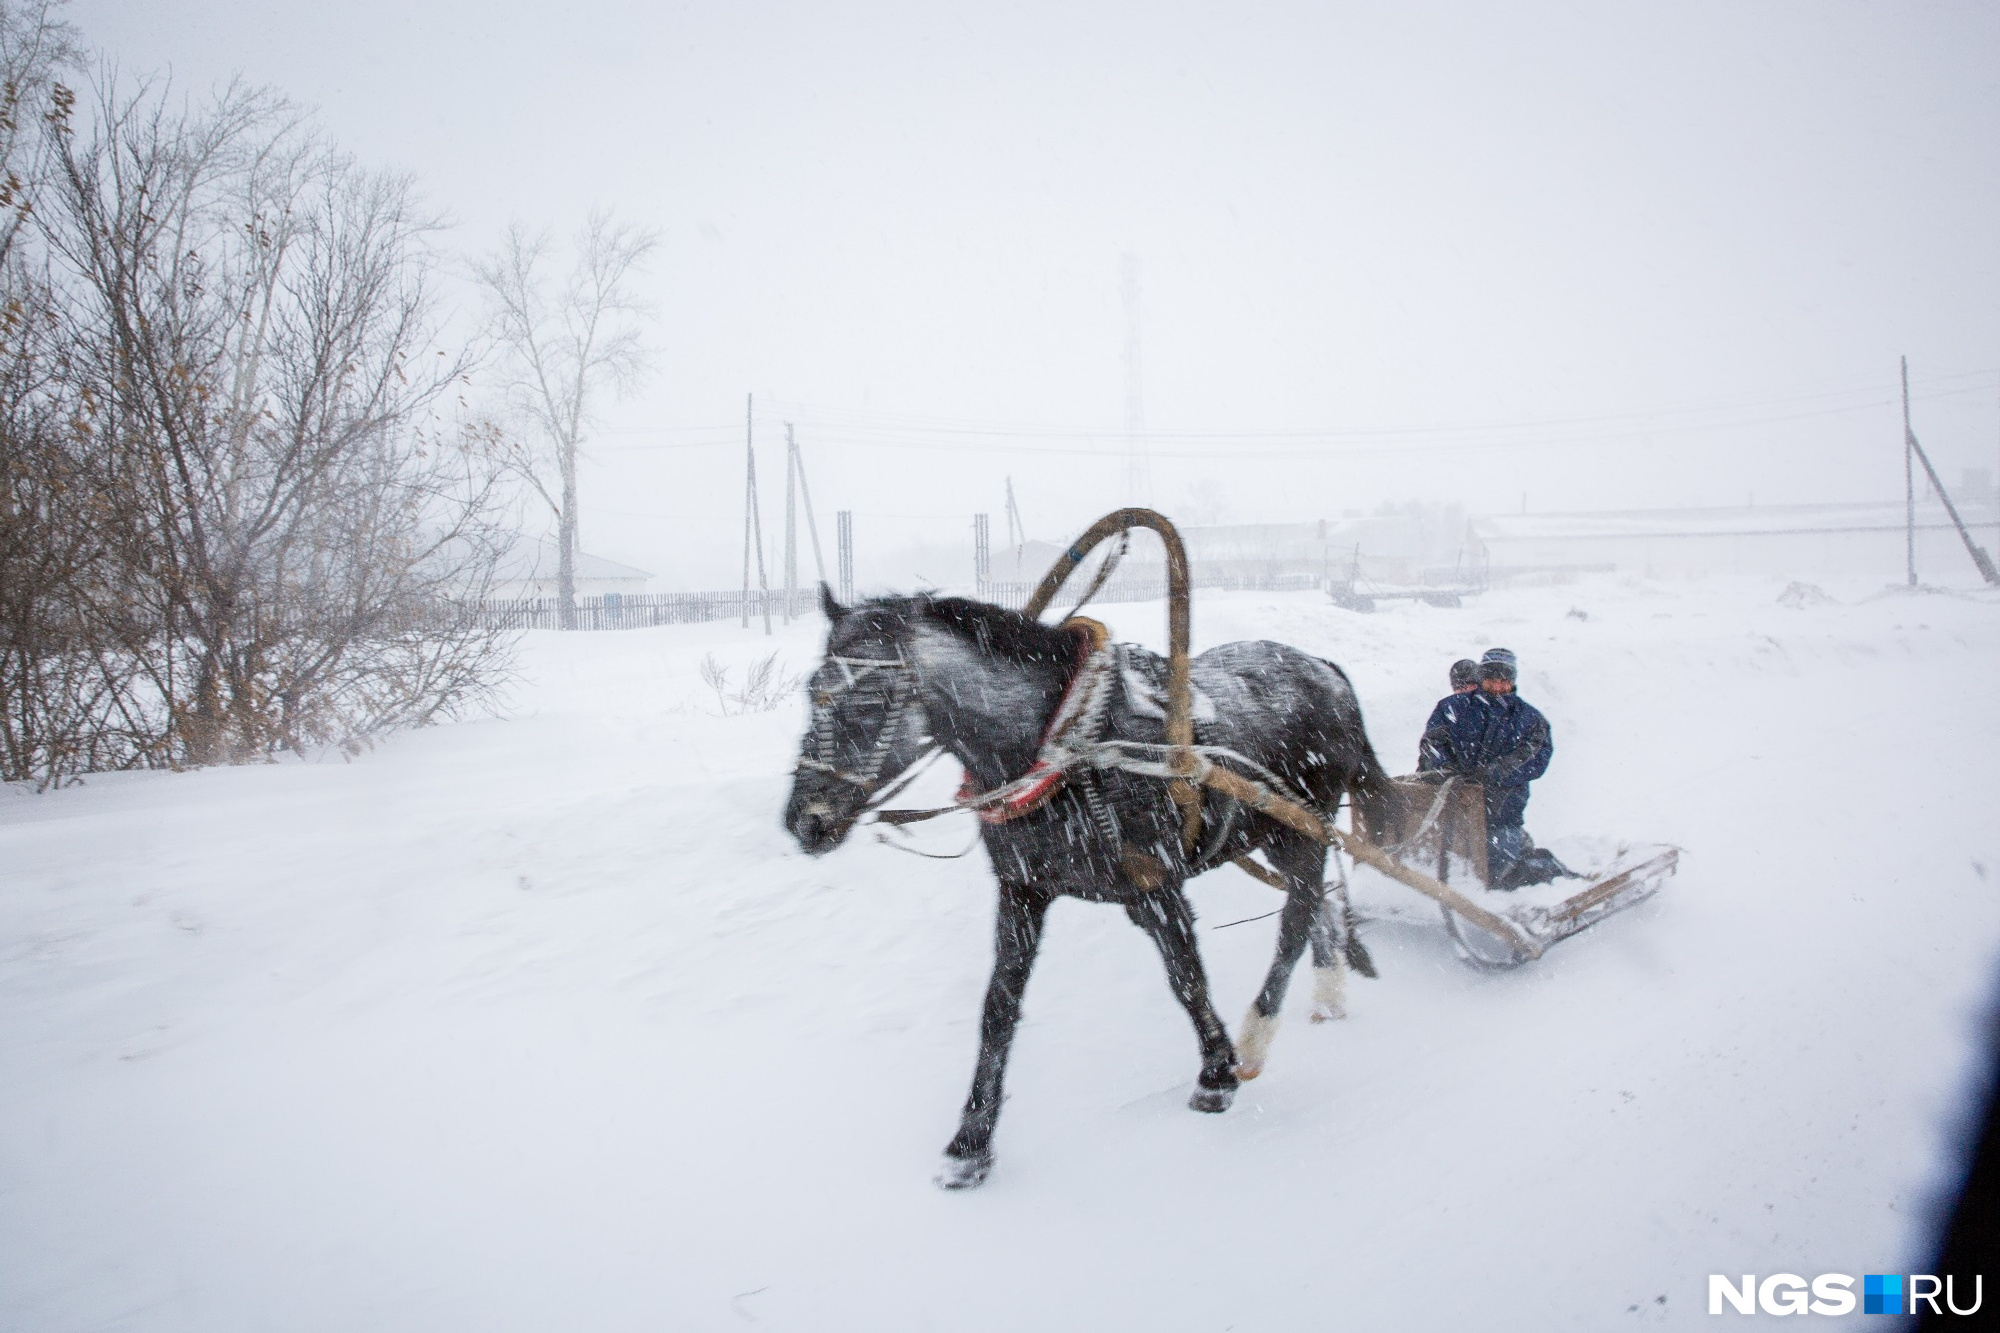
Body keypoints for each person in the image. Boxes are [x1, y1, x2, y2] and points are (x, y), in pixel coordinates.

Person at [1465, 647, 1567, 888]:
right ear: (1481, 678)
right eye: (1491, 679)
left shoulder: (1530, 719)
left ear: (1512, 681)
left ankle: (1551, 876)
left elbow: (1536, 759)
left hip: (1502, 814)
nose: (1497, 686)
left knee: (1501, 872)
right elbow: (1434, 743)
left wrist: (1497, 773)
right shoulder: (1456, 709)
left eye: (1504, 680)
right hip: (1458, 814)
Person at [1415, 659, 1484, 773]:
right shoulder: (1446, 709)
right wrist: (1445, 766)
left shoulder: (1488, 709)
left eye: (1472, 685)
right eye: (1461, 687)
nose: (1467, 690)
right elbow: (1432, 742)